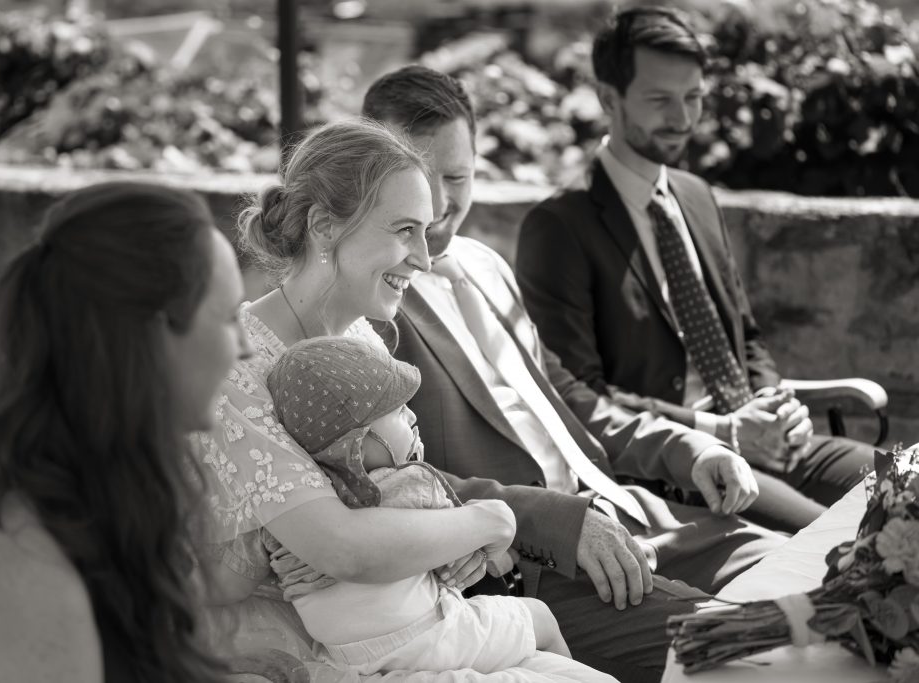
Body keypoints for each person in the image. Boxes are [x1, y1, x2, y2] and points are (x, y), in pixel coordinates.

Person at [361, 64, 788, 683]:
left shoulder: (484, 264)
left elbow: (565, 397)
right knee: (753, 653)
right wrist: (557, 524)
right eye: (420, 180)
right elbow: (398, 478)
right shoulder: (371, 305)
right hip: (535, 565)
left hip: (629, 511)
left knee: (826, 578)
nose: (441, 204)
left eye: (457, 176)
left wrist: (685, 447)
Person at [196, 118, 592, 683]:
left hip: (409, 623)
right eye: (404, 229)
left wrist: (441, 540)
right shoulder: (238, 367)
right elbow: (341, 547)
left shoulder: (362, 337)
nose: (425, 258)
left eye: (426, 231)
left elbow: (392, 497)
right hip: (288, 651)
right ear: (324, 226)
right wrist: (489, 522)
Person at [515, 6, 872, 535]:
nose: (683, 119)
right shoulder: (559, 227)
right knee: (844, 542)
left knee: (904, 489)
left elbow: (744, 336)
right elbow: (580, 394)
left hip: (771, 443)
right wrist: (721, 430)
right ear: (608, 99)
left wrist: (776, 405)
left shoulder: (695, 196)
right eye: (660, 100)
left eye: (694, 97)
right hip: (689, 470)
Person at [0, 182, 250, 683]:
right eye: (231, 317)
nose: (246, 347)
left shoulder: (95, 499)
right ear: (150, 337)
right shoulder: (16, 557)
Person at [265, 336, 606, 678]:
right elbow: (464, 560)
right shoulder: (414, 485)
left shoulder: (289, 519)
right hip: (432, 639)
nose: (414, 417)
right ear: (357, 446)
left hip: (348, 656)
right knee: (541, 618)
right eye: (400, 412)